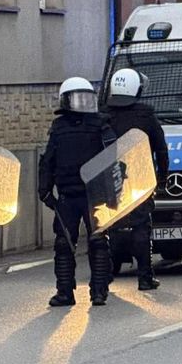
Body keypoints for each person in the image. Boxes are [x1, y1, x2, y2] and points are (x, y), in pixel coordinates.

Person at [38, 78, 118, 307]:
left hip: (96, 194)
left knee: (99, 242)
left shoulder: (101, 123)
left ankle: (99, 291)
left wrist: (115, 189)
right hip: (67, 195)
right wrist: (44, 190)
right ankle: (65, 292)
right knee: (64, 244)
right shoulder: (59, 127)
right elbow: (49, 160)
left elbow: (113, 157)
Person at [104, 68, 169, 290]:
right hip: (141, 176)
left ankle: (105, 276)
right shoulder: (146, 116)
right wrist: (162, 178)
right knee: (142, 226)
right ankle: (144, 277)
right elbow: (161, 149)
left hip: (112, 176)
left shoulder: (103, 115)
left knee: (109, 225)